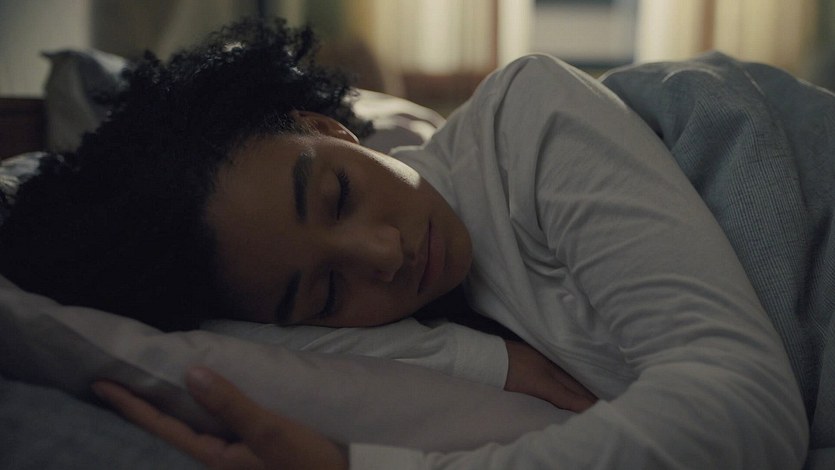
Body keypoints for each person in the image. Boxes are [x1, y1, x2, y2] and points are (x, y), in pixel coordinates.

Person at [0, 18, 807, 469]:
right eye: (326, 292)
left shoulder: (522, 120)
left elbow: (744, 407)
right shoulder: (406, 328)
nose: (382, 256)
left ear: (327, 126)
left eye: (337, 194)